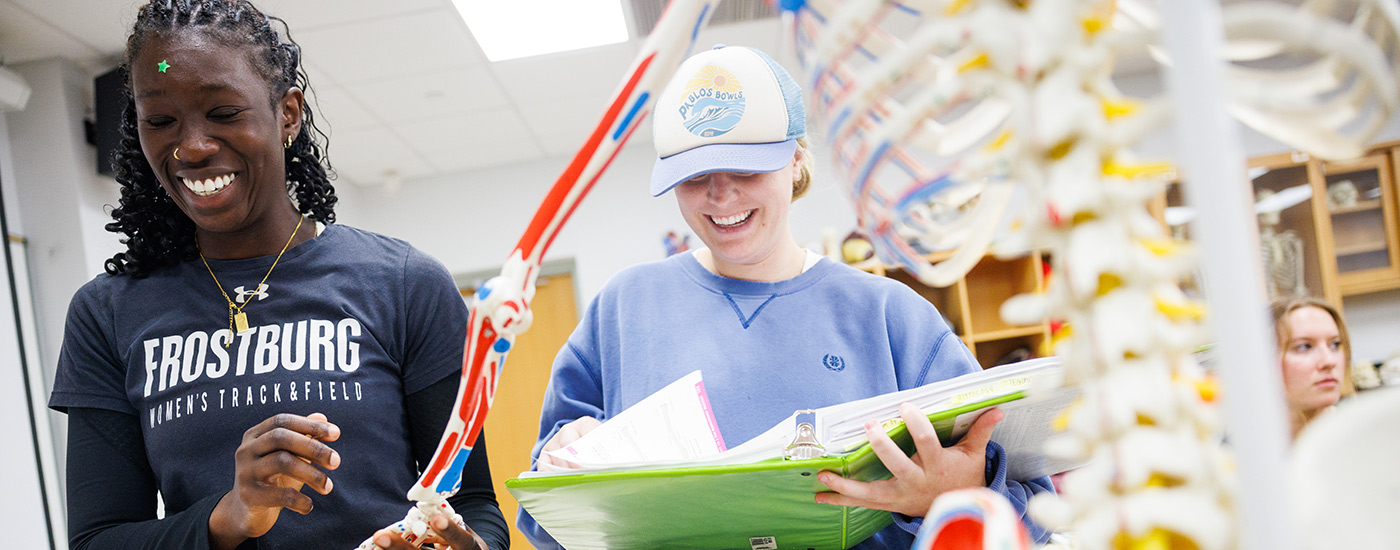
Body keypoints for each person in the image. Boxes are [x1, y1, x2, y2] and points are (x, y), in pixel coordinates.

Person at [517, 45, 1053, 549]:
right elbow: (545, 522)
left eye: (746, 168)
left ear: (796, 158)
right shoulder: (623, 309)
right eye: (694, 175)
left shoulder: (893, 318)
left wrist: (959, 496)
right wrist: (567, 460)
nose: (720, 195)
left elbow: (1036, 516)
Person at [46, 2, 507, 549]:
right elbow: (97, 540)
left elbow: (474, 504)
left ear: (288, 114)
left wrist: (463, 546)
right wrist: (230, 515)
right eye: (161, 120)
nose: (191, 146)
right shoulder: (108, 314)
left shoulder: (404, 284)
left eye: (222, 112)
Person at [1270, 296, 1353, 440]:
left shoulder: (1362, 436)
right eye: (1303, 347)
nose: (1329, 361)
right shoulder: (1230, 454)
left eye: (1334, 345)